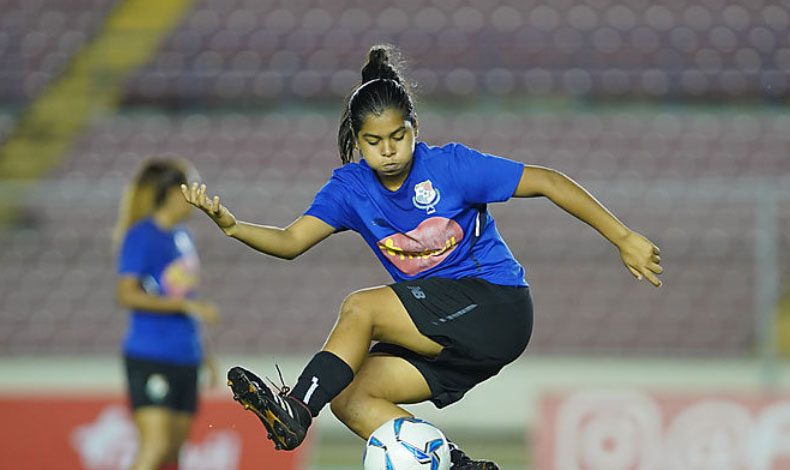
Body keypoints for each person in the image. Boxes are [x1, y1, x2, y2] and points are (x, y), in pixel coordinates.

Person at [182, 45, 662, 470]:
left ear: (414, 129)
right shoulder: (349, 189)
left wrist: (622, 237)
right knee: (351, 398)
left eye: (398, 137)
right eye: (374, 142)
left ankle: (297, 410)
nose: (388, 151)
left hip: (496, 306)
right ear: (356, 140)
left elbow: (550, 181)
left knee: (361, 307)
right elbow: (290, 242)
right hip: (448, 333)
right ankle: (455, 465)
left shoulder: (451, 166)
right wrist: (232, 225)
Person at [114, 157, 220, 470]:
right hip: (151, 354)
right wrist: (184, 306)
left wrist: (206, 356)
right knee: (155, 444)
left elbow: (187, 297)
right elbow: (126, 293)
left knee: (173, 452)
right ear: (175, 192)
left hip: (185, 356)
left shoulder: (183, 237)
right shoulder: (141, 235)